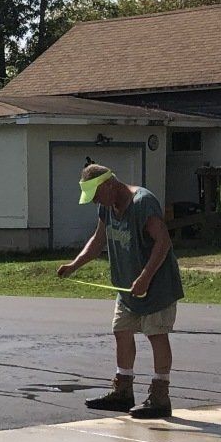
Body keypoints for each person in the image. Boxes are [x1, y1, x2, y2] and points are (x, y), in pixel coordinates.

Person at [57, 163, 184, 419]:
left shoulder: (143, 203)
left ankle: (160, 396)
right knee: (121, 331)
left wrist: (146, 277)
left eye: (96, 195)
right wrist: (74, 265)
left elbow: (163, 242)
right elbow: (97, 240)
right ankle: (123, 391)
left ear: (110, 184)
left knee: (156, 335)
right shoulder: (107, 207)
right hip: (126, 287)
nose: (95, 202)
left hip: (156, 287)